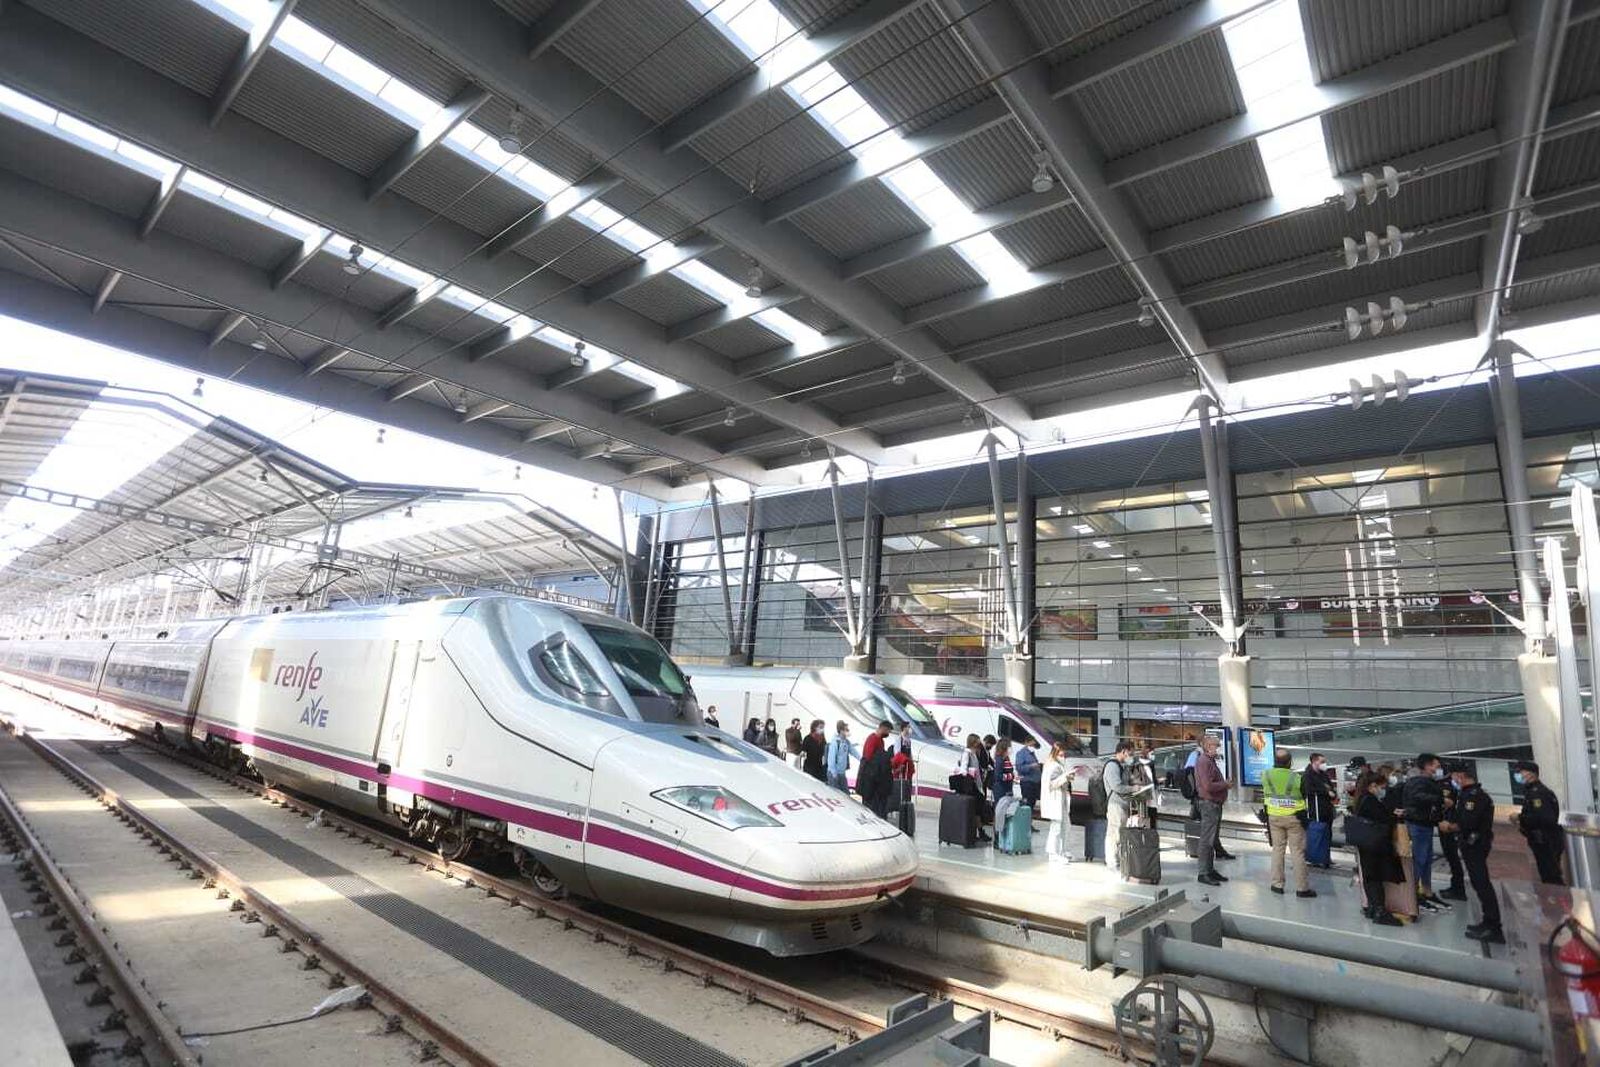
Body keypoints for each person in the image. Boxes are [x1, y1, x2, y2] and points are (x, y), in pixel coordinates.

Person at [1440, 763, 1500, 943]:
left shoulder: (1474, 796)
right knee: (1478, 882)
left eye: (1453, 776)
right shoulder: (1466, 794)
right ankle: (1488, 921)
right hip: (1471, 844)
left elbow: (1467, 822)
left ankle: (1493, 927)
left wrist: (1449, 826)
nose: (1452, 780)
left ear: (1460, 775)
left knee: (1482, 884)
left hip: (1475, 845)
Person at [1351, 769, 1404, 926]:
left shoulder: (1361, 799)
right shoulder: (1370, 800)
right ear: (1372, 786)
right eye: (1381, 787)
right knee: (1375, 877)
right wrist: (1394, 815)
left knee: (1369, 877)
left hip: (1366, 844)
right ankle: (1380, 911)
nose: (1383, 790)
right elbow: (1383, 819)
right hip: (1375, 845)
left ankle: (1373, 908)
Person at [1262, 749, 1316, 898]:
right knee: (1297, 852)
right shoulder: (1297, 777)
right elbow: (1304, 794)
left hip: (1274, 816)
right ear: (1289, 762)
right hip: (1294, 818)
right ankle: (1302, 888)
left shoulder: (1265, 775)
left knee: (1277, 850)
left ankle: (1277, 884)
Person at [1401, 753, 1448, 912]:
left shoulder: (1426, 781)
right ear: (1427, 766)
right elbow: (1417, 798)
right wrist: (1440, 799)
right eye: (1436, 765)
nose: (1438, 768)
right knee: (1420, 860)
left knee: (1426, 859)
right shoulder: (1419, 782)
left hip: (1425, 824)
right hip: (1418, 824)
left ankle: (1426, 891)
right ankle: (1413, 894)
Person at [1511, 761, 1565, 885]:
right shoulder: (1532, 791)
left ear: (1531, 774)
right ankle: (1554, 902)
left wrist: (1520, 817)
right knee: (1548, 876)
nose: (1518, 775)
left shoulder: (1538, 793)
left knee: (1552, 878)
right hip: (1542, 840)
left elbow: (1544, 818)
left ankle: (1560, 903)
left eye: (1520, 772)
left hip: (1546, 841)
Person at [1193, 733, 1232, 886]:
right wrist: (1225, 785)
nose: (1218, 748)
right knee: (1206, 840)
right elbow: (1208, 786)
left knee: (1212, 838)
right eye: (1216, 745)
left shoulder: (1209, 761)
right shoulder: (1204, 762)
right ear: (1209, 746)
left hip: (1214, 804)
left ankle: (1210, 870)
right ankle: (1203, 872)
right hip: (1209, 804)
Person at [1102, 741, 1136, 874]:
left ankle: (1117, 859)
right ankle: (1111, 861)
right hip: (1115, 804)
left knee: (1119, 833)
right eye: (1130, 753)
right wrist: (1134, 788)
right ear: (1123, 751)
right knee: (1114, 833)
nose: (1131, 755)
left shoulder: (1122, 766)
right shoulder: (1112, 766)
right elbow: (1117, 786)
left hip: (1122, 804)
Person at [1041, 741, 1077, 864]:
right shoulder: (1052, 766)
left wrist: (1067, 777)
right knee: (1056, 828)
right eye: (1061, 753)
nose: (1063, 755)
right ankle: (1053, 853)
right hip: (1054, 800)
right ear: (1056, 752)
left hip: (1060, 799)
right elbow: (1052, 784)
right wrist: (1065, 777)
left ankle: (1062, 851)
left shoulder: (1055, 764)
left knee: (1064, 826)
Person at [954, 733, 991, 843]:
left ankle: (978, 831)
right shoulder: (967, 754)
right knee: (976, 811)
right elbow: (963, 769)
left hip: (977, 786)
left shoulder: (974, 754)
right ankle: (979, 832)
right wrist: (969, 779)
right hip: (973, 787)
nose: (979, 744)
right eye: (977, 742)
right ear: (973, 742)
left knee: (978, 811)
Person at [1437, 767, 1467, 901]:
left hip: (1455, 825)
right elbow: (1444, 804)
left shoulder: (1463, 786)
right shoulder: (1444, 785)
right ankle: (1456, 887)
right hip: (1447, 825)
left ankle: (1458, 889)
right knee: (1452, 857)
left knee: (1454, 858)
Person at [1302, 752, 1336, 869]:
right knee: (1318, 832)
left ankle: (1325, 856)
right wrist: (1326, 792)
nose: (1324, 764)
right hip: (1316, 809)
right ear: (1314, 762)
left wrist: (1331, 793)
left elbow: (1331, 788)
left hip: (1326, 808)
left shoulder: (1323, 775)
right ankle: (1316, 857)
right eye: (1322, 762)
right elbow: (1309, 790)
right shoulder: (1308, 775)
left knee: (1327, 833)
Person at [857, 720, 894, 819]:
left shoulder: (880, 740)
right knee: (870, 804)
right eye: (888, 731)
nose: (888, 734)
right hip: (870, 777)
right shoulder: (873, 739)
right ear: (883, 728)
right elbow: (868, 757)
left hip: (876, 778)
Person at [990, 737, 1021, 840]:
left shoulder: (1006, 758)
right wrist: (1011, 776)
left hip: (1008, 788)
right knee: (999, 811)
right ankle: (997, 837)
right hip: (1000, 789)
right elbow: (998, 776)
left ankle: (1002, 835)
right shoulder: (999, 759)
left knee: (1005, 811)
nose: (1010, 749)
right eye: (1009, 747)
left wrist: (1012, 776)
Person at [1015, 737, 1042, 813]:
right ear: (1026, 743)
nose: (1033, 746)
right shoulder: (1021, 753)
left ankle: (1029, 821)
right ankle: (1024, 822)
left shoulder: (1032, 754)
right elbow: (1019, 768)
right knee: (1027, 804)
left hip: (1035, 782)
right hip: (1027, 782)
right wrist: (1031, 766)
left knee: (1032, 803)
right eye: (1031, 744)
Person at [825, 721, 853, 792]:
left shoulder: (846, 742)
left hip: (842, 773)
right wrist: (834, 774)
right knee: (836, 794)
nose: (848, 732)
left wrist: (862, 759)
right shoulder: (835, 743)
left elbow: (853, 751)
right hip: (833, 774)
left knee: (846, 795)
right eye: (846, 730)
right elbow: (831, 760)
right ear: (841, 731)